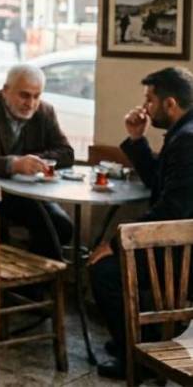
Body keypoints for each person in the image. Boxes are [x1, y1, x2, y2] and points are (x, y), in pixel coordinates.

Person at [88, 67, 193, 379]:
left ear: (170, 103)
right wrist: (136, 138)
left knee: (102, 269)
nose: (145, 106)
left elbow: (172, 210)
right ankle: (136, 339)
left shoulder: (188, 140)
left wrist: (117, 243)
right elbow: (157, 184)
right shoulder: (182, 133)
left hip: (184, 253)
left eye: (149, 100)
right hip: (176, 240)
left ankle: (133, 355)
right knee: (105, 257)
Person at [0, 64, 74, 260]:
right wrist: (13, 164)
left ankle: (30, 285)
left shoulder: (45, 111)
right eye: (24, 95)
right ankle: (45, 283)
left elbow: (67, 153)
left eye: (37, 96)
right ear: (5, 90)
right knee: (45, 224)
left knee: (63, 226)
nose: (31, 103)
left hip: (29, 193)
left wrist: (36, 162)